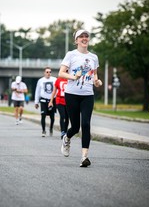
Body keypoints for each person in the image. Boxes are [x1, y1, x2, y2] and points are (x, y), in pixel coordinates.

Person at [58, 29, 102, 167]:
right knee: (75, 127)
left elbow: (94, 74)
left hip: (87, 95)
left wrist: (97, 81)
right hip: (71, 94)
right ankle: (67, 137)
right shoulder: (71, 55)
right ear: (76, 40)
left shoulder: (94, 57)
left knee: (86, 124)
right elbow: (61, 73)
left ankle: (84, 157)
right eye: (81, 37)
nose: (84, 38)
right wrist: (73, 77)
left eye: (86, 36)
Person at [34, 67, 57, 137]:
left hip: (52, 100)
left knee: (52, 117)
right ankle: (43, 130)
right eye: (47, 72)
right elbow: (37, 91)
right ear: (44, 73)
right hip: (43, 100)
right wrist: (36, 102)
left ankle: (51, 128)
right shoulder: (40, 81)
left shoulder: (54, 80)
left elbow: (57, 90)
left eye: (50, 72)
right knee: (43, 115)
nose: (48, 73)